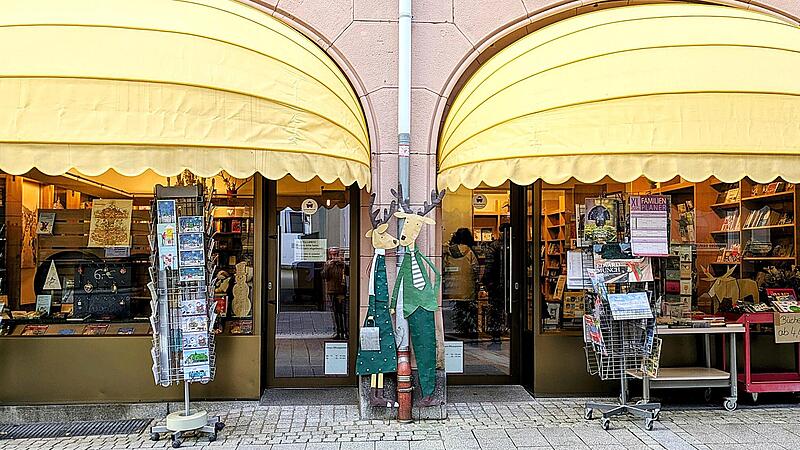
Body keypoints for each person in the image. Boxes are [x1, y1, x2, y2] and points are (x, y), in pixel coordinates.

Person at [444, 228, 479, 337]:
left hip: (451, 289)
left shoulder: (448, 252)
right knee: (468, 312)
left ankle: (455, 333)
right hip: (467, 288)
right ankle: (468, 333)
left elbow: (444, 268)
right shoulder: (470, 253)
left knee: (455, 312)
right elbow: (476, 269)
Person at [322, 247, 348, 340]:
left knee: (344, 312)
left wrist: (343, 263)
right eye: (332, 254)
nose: (334, 257)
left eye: (336, 254)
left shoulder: (342, 265)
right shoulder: (328, 264)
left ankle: (346, 332)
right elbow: (324, 276)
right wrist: (328, 266)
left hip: (342, 291)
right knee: (336, 313)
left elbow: (349, 272)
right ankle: (338, 332)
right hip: (332, 291)